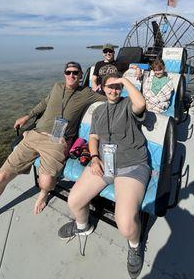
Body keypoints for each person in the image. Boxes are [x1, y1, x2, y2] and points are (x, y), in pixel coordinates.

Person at [0, 62, 105, 240]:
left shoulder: (86, 93)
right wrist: (28, 116)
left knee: (46, 182)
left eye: (75, 73)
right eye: (68, 72)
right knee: (1, 176)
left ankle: (43, 193)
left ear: (80, 76)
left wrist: (121, 84)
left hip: (57, 142)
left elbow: (110, 96)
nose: (71, 75)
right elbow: (44, 103)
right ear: (64, 74)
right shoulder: (56, 87)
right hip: (34, 135)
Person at [58, 73, 150, 279]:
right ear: (102, 87)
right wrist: (95, 156)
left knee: (125, 224)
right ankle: (83, 226)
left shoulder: (128, 105)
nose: (114, 90)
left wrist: (125, 81)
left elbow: (141, 103)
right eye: (110, 86)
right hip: (105, 163)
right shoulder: (99, 110)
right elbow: (93, 137)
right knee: (74, 201)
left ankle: (135, 246)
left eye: (118, 87)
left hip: (131, 165)